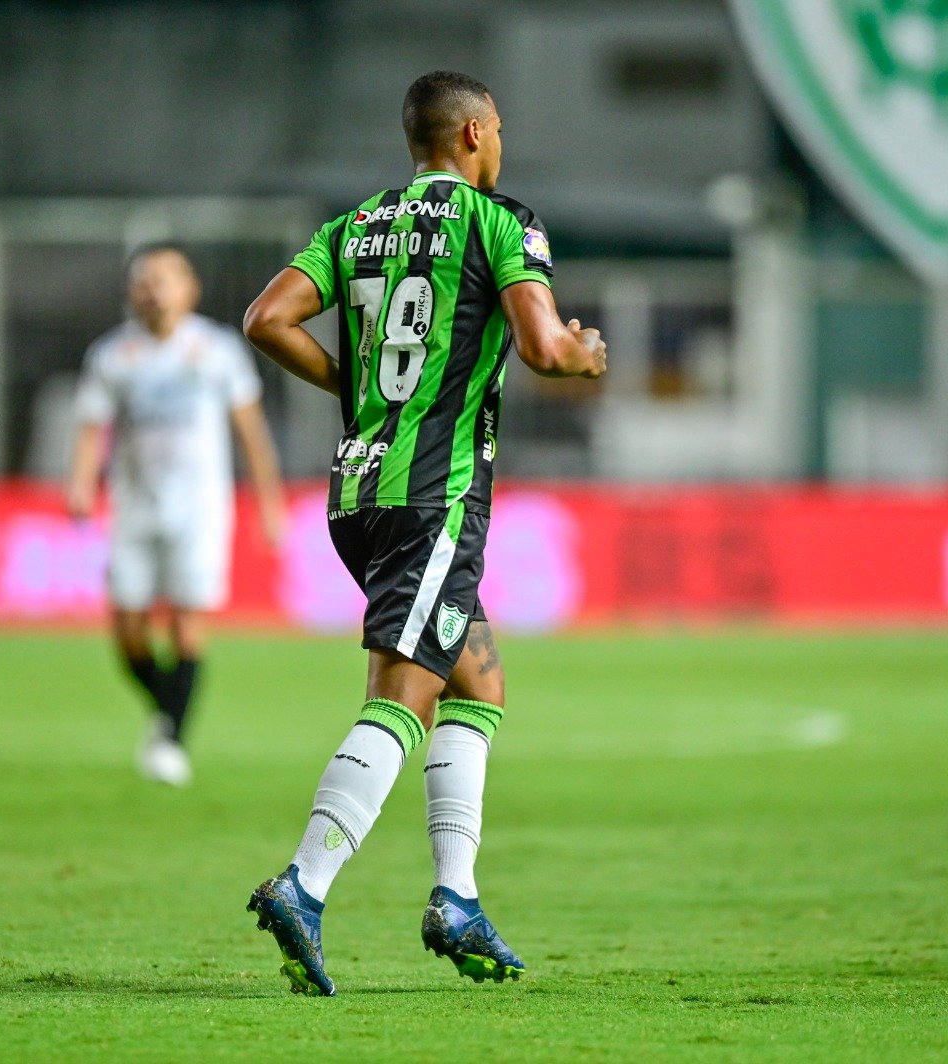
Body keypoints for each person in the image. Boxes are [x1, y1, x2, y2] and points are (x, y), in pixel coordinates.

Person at [240, 70, 607, 996]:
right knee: (401, 700)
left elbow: (266, 320)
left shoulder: (357, 223)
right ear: (477, 133)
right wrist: (584, 354)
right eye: (501, 132)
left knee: (475, 680)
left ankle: (458, 895)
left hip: (357, 492)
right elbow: (541, 347)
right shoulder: (501, 222)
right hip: (434, 495)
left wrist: (356, 387)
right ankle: (305, 883)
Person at [69, 244, 287, 786]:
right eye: (144, 280)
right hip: (135, 507)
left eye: (166, 279)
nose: (154, 289)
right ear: (130, 292)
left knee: (189, 625)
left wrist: (269, 501)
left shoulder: (215, 350)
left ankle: (171, 740)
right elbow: (92, 427)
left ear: (191, 288)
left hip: (200, 509)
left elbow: (251, 431)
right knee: (128, 632)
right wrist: (79, 483)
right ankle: (169, 711)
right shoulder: (112, 355)